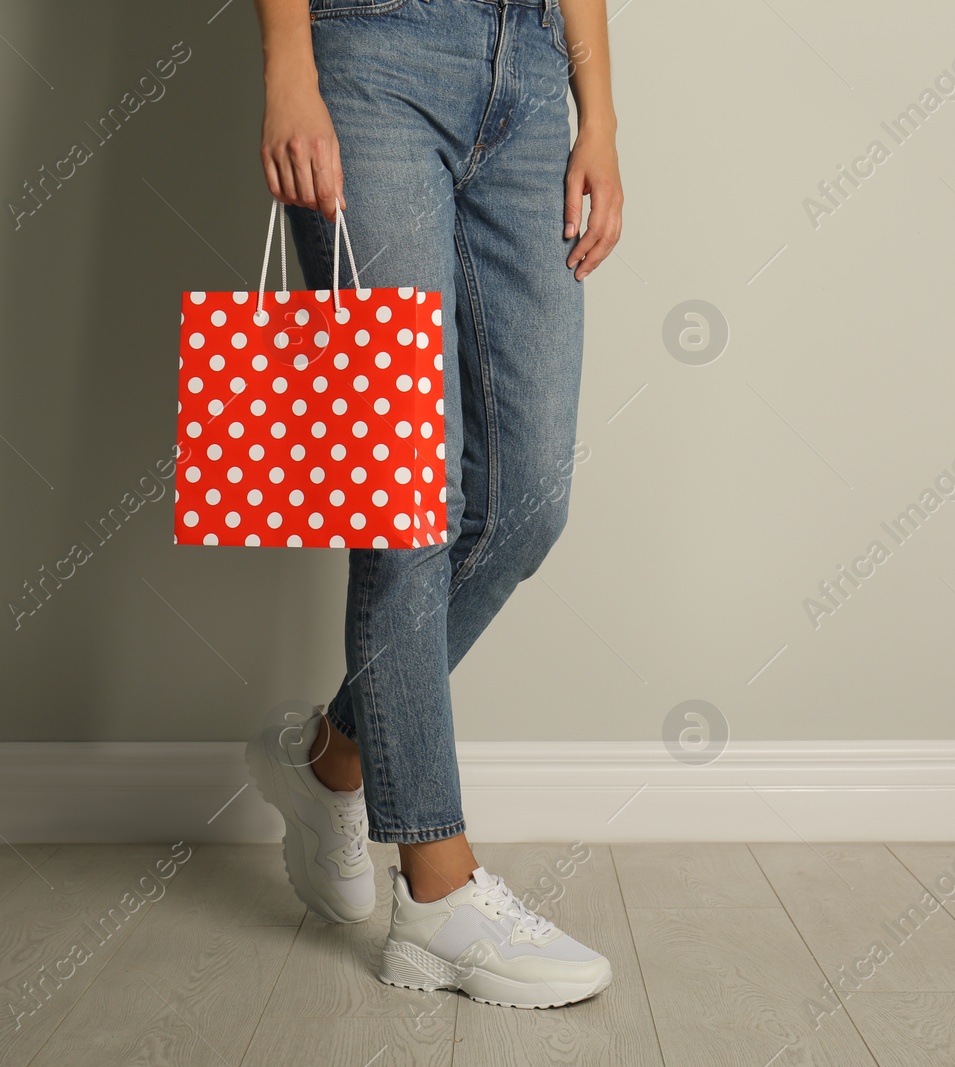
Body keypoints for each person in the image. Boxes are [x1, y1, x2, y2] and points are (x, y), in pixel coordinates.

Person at [244, 0, 624, 1008]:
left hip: (536, 66)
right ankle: (437, 895)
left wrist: (601, 116)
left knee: (526, 502)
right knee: (403, 503)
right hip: (373, 53)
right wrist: (289, 64)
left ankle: (335, 755)